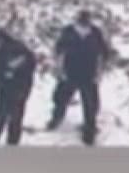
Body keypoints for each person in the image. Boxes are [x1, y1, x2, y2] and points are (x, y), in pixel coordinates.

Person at [47, 10, 111, 146]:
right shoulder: (68, 31)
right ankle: (56, 119)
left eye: (86, 19)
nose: (84, 22)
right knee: (60, 98)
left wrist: (101, 70)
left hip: (89, 73)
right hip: (70, 71)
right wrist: (58, 68)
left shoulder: (95, 32)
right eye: (82, 19)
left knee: (90, 104)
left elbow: (104, 52)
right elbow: (58, 50)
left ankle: (89, 130)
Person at [0, 28, 36, 146]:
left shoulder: (17, 48)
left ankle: (12, 143)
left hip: (21, 85)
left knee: (16, 117)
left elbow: (31, 62)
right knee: (0, 115)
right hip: (5, 86)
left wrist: (16, 68)